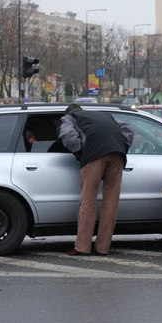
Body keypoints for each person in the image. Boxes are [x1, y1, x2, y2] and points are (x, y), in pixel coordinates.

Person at [58, 104, 134, 256]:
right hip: (117, 155)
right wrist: (121, 147)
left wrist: (81, 151)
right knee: (111, 202)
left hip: (94, 156)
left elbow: (68, 136)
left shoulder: (70, 118)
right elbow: (128, 130)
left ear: (69, 111)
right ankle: (103, 248)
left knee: (88, 201)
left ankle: (82, 247)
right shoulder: (104, 115)